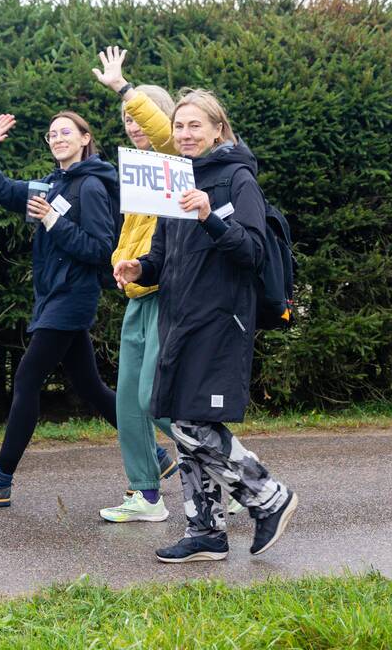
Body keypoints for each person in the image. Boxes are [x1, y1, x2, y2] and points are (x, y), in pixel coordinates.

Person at [114, 89, 297, 562]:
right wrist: (140, 269)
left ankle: (268, 496)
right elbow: (163, 257)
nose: (186, 134)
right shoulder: (174, 178)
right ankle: (206, 532)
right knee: (182, 421)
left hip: (221, 320)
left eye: (195, 126)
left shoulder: (238, 180)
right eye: (179, 126)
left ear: (219, 129)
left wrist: (209, 217)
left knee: (195, 424)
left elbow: (253, 251)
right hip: (178, 317)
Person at [0, 110, 156, 506]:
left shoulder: (92, 186)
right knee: (90, 387)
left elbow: (101, 249)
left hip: (72, 298)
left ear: (84, 138)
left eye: (65, 132)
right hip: (53, 297)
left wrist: (53, 222)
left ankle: (0, 480)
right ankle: (156, 456)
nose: (57, 138)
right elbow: (4, 191)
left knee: (27, 380)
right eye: (51, 134)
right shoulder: (52, 183)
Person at [90, 46, 181, 522]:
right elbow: (134, 229)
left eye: (138, 116)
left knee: (156, 397)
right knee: (128, 401)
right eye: (126, 119)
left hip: (169, 296)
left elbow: (163, 131)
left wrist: (124, 88)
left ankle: (231, 469)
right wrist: (121, 262)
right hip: (138, 296)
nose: (132, 125)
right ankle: (147, 496)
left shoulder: (173, 154)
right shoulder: (140, 165)